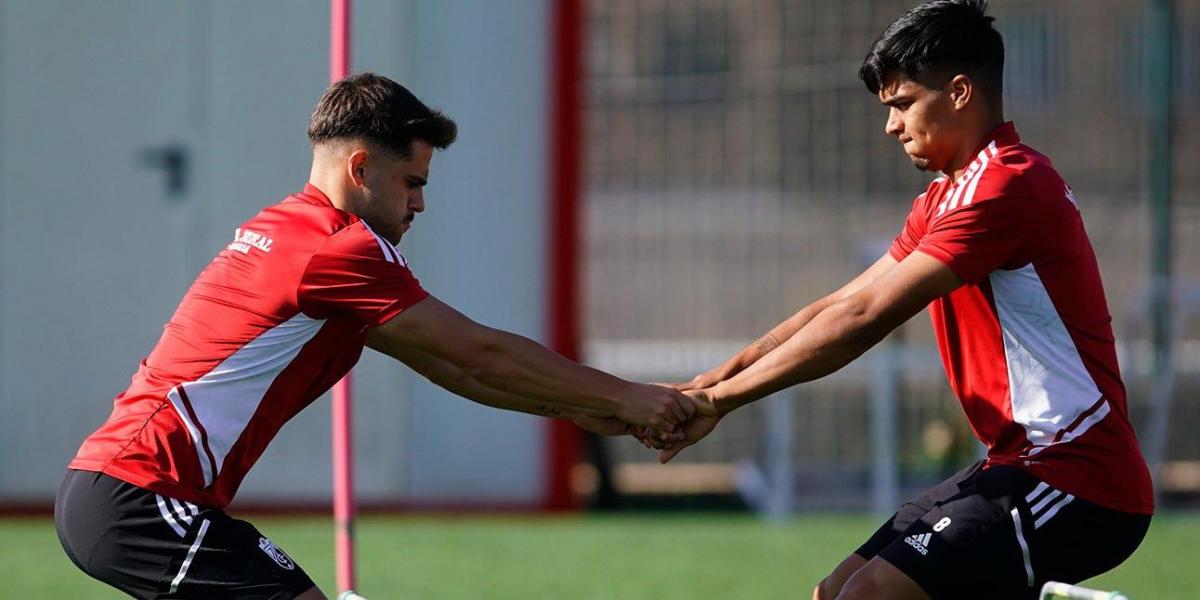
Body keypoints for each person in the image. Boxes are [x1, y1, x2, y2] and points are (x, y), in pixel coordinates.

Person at [55, 73, 700, 600]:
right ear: (360, 167)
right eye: (412, 183)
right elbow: (478, 349)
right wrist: (625, 398)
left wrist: (584, 410)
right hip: (140, 497)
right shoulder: (341, 249)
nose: (419, 205)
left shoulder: (293, 230)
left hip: (122, 495)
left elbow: (459, 371)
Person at [659, 2, 1153, 599]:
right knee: (836, 590)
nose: (892, 126)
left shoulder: (1005, 187)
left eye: (902, 104)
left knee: (874, 594)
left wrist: (721, 401)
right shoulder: (944, 198)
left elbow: (866, 319)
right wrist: (715, 379)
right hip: (1016, 465)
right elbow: (845, 300)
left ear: (961, 92)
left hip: (1080, 478)